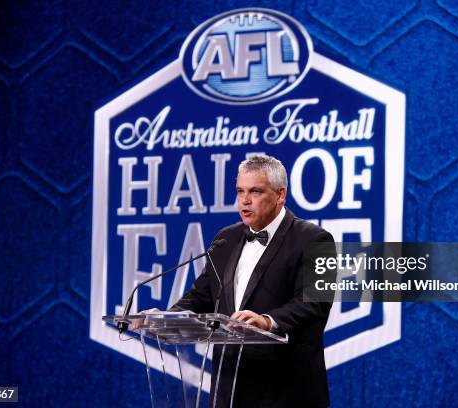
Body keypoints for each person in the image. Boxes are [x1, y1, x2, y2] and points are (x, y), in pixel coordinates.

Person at [139, 154, 335, 407]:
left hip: (285, 391)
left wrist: (267, 321)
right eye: (240, 191)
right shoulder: (226, 238)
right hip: (228, 389)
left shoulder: (315, 238)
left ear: (280, 194)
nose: (244, 201)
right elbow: (202, 296)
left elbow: (315, 303)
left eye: (255, 191)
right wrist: (167, 319)